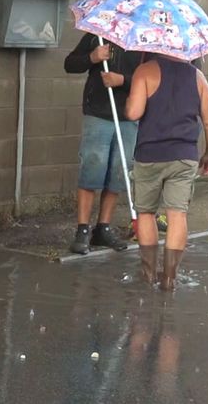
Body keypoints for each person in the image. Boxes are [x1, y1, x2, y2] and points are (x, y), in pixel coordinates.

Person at [125, 54, 208, 290]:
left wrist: (128, 101)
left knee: (146, 213)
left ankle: (148, 275)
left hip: (149, 155)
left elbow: (134, 113)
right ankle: (169, 279)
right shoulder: (198, 78)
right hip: (184, 156)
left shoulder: (144, 71)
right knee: (177, 215)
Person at [64, 33, 142, 255]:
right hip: (98, 112)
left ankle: (103, 228)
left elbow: (151, 78)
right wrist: (92, 58)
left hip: (129, 115)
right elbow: (70, 64)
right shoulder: (97, 35)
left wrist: (122, 80)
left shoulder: (143, 40)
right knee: (92, 167)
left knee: (119, 171)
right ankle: (82, 230)